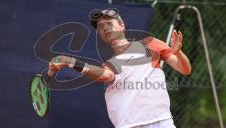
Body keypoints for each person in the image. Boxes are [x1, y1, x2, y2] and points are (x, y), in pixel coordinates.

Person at [48, 8, 191, 128]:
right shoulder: (110, 65)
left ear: (121, 24)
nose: (104, 28)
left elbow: (185, 69)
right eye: (100, 27)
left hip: (161, 122)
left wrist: (177, 52)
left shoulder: (150, 44)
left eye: (108, 23)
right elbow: (106, 75)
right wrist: (70, 61)